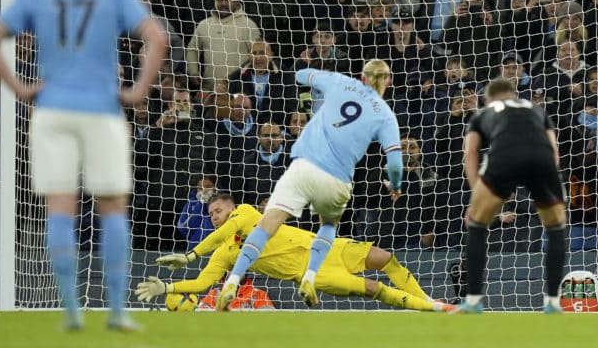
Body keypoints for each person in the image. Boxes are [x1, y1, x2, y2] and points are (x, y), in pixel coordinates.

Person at [0, 0, 167, 330]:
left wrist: (20, 87)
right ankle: (117, 311)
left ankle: (71, 310)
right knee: (112, 208)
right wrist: (136, 92)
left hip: (53, 111)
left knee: (60, 208)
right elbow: (158, 37)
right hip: (102, 109)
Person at [215, 59, 403, 310]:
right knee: (327, 226)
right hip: (336, 178)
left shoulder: (340, 82)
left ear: (363, 77)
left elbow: (302, 75)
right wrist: (395, 184)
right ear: (388, 81)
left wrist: (297, 73)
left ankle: (234, 279)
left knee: (267, 223)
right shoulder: (386, 115)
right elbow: (394, 164)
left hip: (303, 165)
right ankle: (310, 276)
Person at [135, 194, 452, 312]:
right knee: (375, 289)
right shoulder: (225, 254)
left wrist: (191, 254)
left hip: (327, 247)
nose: (215, 217)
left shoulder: (246, 214)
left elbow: (220, 233)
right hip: (314, 273)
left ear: (231, 207)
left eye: (218, 210)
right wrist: (168, 287)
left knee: (387, 259)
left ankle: (429, 301)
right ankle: (433, 309)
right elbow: (201, 284)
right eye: (212, 214)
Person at [455, 78, 566, 313]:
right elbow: (554, 152)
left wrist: (478, 194)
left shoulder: (482, 113)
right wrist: (546, 182)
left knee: (474, 222)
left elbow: (470, 153)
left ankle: (473, 301)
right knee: (556, 226)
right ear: (513, 96)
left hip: (503, 157)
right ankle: (553, 303)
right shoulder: (536, 109)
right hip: (542, 160)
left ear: (487, 99)